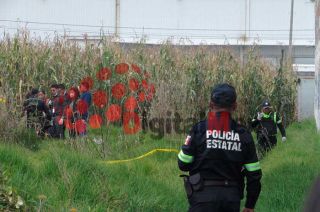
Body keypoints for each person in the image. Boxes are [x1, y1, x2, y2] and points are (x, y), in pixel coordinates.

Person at [178, 83, 262, 212]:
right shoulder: (244, 134)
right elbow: (254, 174)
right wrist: (250, 205)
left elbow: (183, 164)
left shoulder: (198, 129)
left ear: (211, 104)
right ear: (235, 106)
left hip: (202, 198)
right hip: (231, 200)